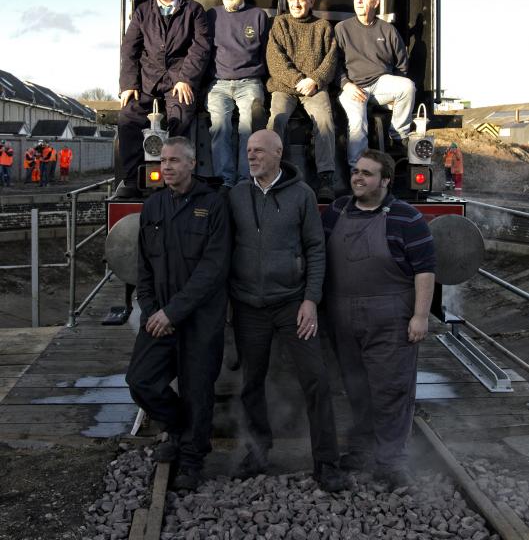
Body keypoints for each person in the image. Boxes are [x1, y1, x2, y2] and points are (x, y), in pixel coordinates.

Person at [228, 129, 346, 492]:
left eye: (259, 151)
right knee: (250, 383)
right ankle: (258, 451)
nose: (251, 156)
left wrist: (311, 299)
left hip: (292, 304)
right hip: (249, 305)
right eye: (248, 151)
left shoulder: (302, 195)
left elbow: (315, 249)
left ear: (279, 154)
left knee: (316, 380)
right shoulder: (235, 195)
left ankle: (326, 462)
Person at [322, 149, 436, 489]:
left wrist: (420, 316)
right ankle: (360, 449)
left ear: (385, 181)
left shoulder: (408, 218)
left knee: (391, 391)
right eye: (356, 171)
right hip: (342, 316)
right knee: (357, 388)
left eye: (367, 174)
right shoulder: (336, 211)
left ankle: (391, 463)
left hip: (389, 317)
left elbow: (425, 271)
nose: (358, 177)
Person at [126, 137, 230, 491]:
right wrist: (152, 310)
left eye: (174, 161)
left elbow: (213, 269)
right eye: (163, 161)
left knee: (197, 390)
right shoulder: (153, 207)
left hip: (199, 318)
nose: (166, 167)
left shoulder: (213, 205)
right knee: (141, 381)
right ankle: (179, 428)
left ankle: (191, 460)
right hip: (161, 317)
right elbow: (144, 268)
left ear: (192, 164)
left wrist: (173, 312)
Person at [117, 0, 211, 198]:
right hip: (147, 82)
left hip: (178, 82)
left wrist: (186, 78)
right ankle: (131, 179)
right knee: (128, 118)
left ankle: (175, 181)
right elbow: (130, 49)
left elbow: (200, 47)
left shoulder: (194, 11)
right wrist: (129, 84)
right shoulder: (142, 12)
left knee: (179, 120)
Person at [266, 0, 337, 201]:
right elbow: (275, 59)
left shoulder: (323, 26)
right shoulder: (280, 23)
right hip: (285, 87)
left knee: (325, 120)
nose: (296, 4)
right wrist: (299, 80)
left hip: (314, 88)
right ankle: (270, 174)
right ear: (287, 1)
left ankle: (326, 179)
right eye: (292, 0)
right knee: (276, 120)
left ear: (311, 1)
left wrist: (315, 79)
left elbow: (331, 59)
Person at [335, 0, 415, 170]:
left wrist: (395, 97)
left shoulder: (388, 30)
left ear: (376, 2)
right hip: (353, 87)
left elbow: (402, 65)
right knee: (357, 123)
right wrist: (346, 84)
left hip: (380, 84)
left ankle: (398, 137)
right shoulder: (342, 29)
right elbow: (334, 64)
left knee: (407, 86)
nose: (359, 1)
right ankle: (358, 169)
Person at [206, 0, 268, 190]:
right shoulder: (212, 15)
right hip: (219, 83)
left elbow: (265, 53)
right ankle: (224, 180)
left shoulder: (258, 16)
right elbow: (204, 52)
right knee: (219, 126)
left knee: (248, 127)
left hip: (249, 82)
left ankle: (245, 180)